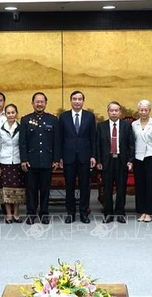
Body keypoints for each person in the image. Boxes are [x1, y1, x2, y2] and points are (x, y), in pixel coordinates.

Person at [19, 92, 60, 225]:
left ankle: (44, 213)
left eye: (42, 101)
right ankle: (31, 213)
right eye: (37, 101)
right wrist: (23, 159)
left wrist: (56, 159)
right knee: (31, 189)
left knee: (45, 189)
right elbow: (22, 142)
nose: (39, 104)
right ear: (32, 103)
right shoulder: (25, 120)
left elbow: (56, 142)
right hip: (31, 161)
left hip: (47, 160)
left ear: (46, 103)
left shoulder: (52, 120)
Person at [58, 91, 96, 224]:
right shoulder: (63, 117)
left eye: (80, 99)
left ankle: (84, 213)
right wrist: (60, 157)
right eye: (74, 99)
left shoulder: (90, 116)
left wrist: (93, 156)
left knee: (85, 186)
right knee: (69, 186)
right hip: (68, 157)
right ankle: (70, 213)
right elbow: (59, 139)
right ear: (71, 101)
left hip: (85, 157)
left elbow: (93, 138)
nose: (77, 101)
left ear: (83, 101)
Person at [96, 101, 134, 224]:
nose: (114, 112)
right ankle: (108, 213)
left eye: (116, 110)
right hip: (107, 161)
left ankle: (120, 213)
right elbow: (98, 145)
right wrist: (99, 161)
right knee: (107, 189)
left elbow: (131, 144)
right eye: (111, 110)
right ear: (108, 112)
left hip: (121, 161)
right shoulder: (101, 126)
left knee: (121, 188)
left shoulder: (127, 126)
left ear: (120, 112)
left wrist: (130, 160)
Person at [131, 99, 152, 222]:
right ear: (138, 111)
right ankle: (141, 211)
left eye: (146, 110)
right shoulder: (134, 124)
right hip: (138, 158)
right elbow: (131, 143)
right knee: (140, 185)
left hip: (151, 157)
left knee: (150, 185)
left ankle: (149, 212)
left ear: (149, 110)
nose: (143, 112)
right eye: (141, 110)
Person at [0, 104, 26, 224]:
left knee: (18, 189)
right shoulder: (0, 128)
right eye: (8, 113)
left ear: (16, 113)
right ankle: (8, 214)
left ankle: (16, 213)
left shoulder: (21, 127)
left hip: (18, 161)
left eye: (13, 112)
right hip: (4, 161)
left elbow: (23, 145)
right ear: (5, 114)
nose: (11, 115)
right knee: (6, 189)